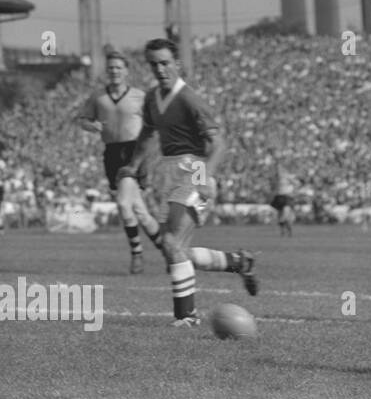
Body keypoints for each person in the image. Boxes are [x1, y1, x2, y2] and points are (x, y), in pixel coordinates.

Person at [116, 38, 257, 326]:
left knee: (170, 243)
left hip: (194, 171)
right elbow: (146, 134)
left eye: (165, 62)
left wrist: (204, 176)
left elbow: (219, 144)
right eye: (154, 64)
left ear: (177, 64)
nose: (160, 69)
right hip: (168, 173)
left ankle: (186, 317)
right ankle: (238, 262)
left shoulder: (189, 99)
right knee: (175, 252)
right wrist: (132, 165)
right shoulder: (153, 97)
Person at [76, 50, 159, 273]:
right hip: (111, 152)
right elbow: (83, 119)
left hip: (134, 152)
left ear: (126, 71)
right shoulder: (98, 97)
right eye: (111, 67)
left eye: (118, 67)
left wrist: (149, 158)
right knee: (139, 211)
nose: (114, 71)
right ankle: (167, 249)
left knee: (123, 203)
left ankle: (137, 254)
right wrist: (90, 125)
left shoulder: (140, 96)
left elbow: (153, 127)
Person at [270, 162, 295, 237]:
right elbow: (273, 188)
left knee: (285, 214)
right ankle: (284, 231)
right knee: (281, 215)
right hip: (279, 197)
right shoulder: (275, 178)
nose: (278, 170)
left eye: (279, 168)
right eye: (277, 169)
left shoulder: (287, 176)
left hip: (287, 197)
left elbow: (296, 183)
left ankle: (282, 224)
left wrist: (291, 188)